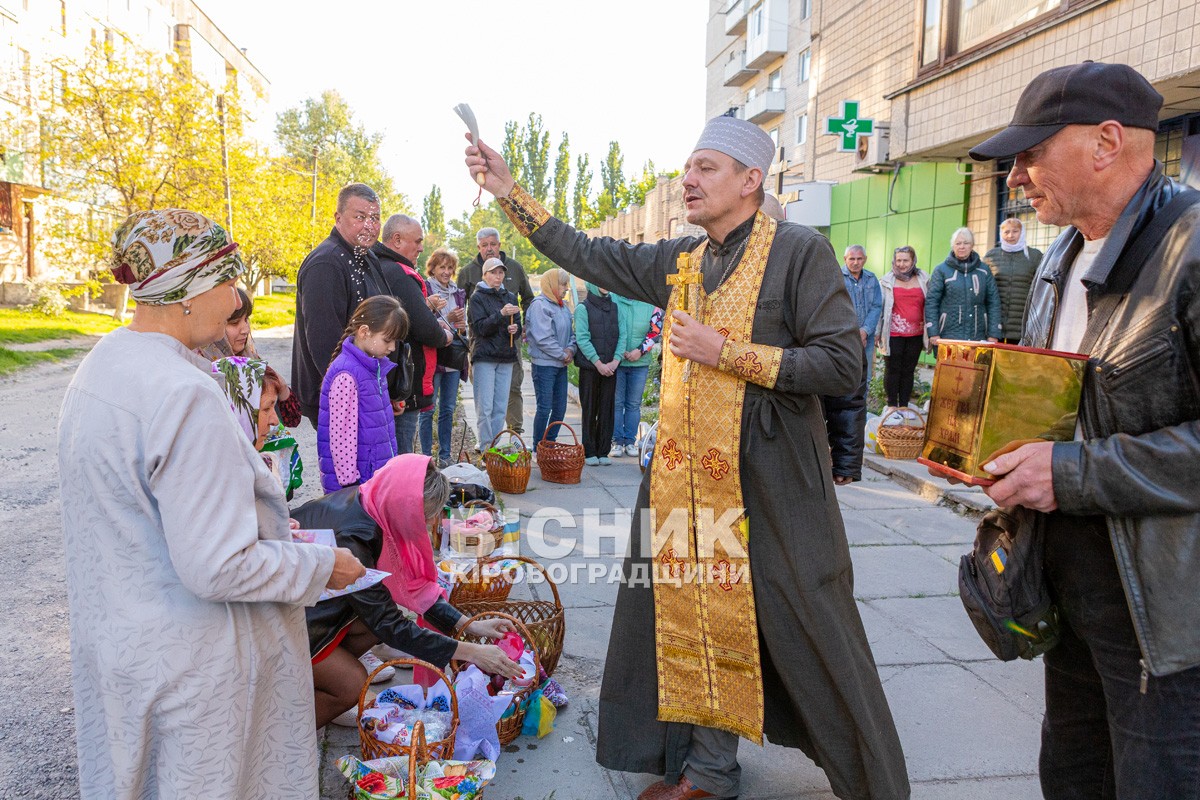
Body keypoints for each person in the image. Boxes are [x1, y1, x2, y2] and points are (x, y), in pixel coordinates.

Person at [466, 116, 908, 800]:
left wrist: (726, 352)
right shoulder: (685, 257)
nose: (687, 179)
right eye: (688, 167)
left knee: (797, 619)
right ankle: (708, 771)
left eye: (705, 167)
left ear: (750, 180)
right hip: (684, 481)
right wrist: (509, 191)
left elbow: (843, 362)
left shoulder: (797, 253)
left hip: (768, 479)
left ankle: (865, 774)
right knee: (693, 619)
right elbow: (590, 254)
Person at [58, 208, 365, 799]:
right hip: (192, 668)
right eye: (228, 282)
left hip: (129, 642)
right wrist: (326, 566)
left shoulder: (106, 366)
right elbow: (218, 565)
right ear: (186, 293)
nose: (235, 299)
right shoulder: (183, 394)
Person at [966, 61, 1200, 799]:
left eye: (1032, 152)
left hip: (1165, 613)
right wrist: (988, 447)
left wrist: (1069, 472)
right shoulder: (1060, 255)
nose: (1015, 176)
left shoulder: (1190, 248)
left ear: (1107, 142)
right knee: (1072, 777)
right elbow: (1070, 406)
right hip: (1069, 584)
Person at [294, 454, 520, 728]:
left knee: (374, 621)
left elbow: (414, 591)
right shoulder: (355, 538)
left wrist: (472, 626)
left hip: (312, 607)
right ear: (404, 506)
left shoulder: (372, 501)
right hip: (287, 622)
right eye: (421, 517)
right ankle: (291, 731)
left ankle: (319, 691)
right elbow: (390, 624)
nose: (423, 527)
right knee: (352, 683)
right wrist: (471, 652)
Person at [293, 183, 407, 429]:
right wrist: (355, 397)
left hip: (370, 392)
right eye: (360, 217)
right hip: (344, 399)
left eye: (375, 218)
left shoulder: (366, 256)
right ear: (338, 218)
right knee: (350, 467)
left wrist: (389, 389)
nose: (369, 225)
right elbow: (324, 343)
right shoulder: (326, 263)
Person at [373, 214, 453, 453]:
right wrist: (445, 335)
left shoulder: (378, 266)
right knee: (402, 454)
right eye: (417, 241)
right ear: (397, 240)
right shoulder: (400, 273)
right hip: (404, 384)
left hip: (389, 379)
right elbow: (425, 328)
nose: (421, 247)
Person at [317, 295, 409, 494]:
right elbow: (341, 439)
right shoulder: (347, 374)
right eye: (387, 340)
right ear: (364, 331)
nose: (392, 347)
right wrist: (350, 489)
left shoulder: (372, 366)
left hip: (373, 480)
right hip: (357, 489)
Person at [460, 227, 535, 435]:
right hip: (482, 342)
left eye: (493, 244)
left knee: (512, 388)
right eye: (484, 245)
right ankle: (487, 442)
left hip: (509, 343)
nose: (489, 248)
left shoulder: (515, 269)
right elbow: (460, 305)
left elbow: (528, 299)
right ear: (478, 247)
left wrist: (522, 326)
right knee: (485, 396)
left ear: (499, 245)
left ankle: (514, 433)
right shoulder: (468, 272)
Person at [201, 285, 304, 430]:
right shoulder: (203, 372)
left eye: (246, 319)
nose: (246, 329)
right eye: (234, 323)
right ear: (212, 325)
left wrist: (280, 386)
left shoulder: (251, 362)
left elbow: (293, 418)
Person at [212, 355, 305, 500]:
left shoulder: (244, 465)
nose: (275, 421)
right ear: (238, 410)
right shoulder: (215, 480)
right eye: (267, 408)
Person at [467, 257, 522, 453]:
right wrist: (501, 314)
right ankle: (485, 448)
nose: (498, 277)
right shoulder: (477, 298)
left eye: (500, 273)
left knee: (500, 406)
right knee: (485, 407)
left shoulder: (510, 297)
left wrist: (516, 328)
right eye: (493, 273)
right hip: (485, 356)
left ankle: (495, 446)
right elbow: (480, 328)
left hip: (506, 356)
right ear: (485, 275)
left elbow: (518, 326)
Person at [421, 248, 469, 467]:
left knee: (448, 409)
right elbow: (420, 321)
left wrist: (460, 326)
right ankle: (425, 458)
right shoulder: (426, 288)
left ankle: (445, 455)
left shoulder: (458, 293)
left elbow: (461, 327)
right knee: (428, 408)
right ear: (433, 268)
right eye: (442, 267)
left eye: (450, 268)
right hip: (433, 357)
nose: (447, 271)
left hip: (453, 357)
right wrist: (447, 318)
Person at [924, 227, 1001, 347]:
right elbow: (931, 302)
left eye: (966, 243)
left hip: (979, 336)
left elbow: (994, 302)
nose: (962, 246)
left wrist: (994, 333)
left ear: (972, 245)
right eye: (958, 243)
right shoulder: (941, 270)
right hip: (947, 335)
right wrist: (933, 332)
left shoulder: (984, 270)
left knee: (975, 366)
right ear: (952, 246)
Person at [526, 267, 577, 446]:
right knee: (544, 408)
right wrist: (561, 354)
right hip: (544, 365)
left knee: (560, 409)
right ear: (552, 284)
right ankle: (538, 446)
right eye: (563, 285)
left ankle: (550, 443)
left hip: (561, 364)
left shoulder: (562, 307)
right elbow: (542, 338)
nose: (566, 289)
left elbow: (572, 333)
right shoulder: (540, 305)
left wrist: (571, 350)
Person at [877, 246, 929, 409]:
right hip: (893, 334)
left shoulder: (924, 279)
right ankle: (892, 405)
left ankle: (904, 405)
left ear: (913, 261)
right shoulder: (886, 281)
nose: (901, 264)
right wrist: (877, 332)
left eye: (905, 260)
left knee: (908, 370)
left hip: (916, 334)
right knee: (893, 369)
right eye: (898, 260)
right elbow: (880, 307)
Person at [574, 281, 621, 466]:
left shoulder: (615, 307)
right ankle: (589, 450)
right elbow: (582, 338)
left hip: (611, 367)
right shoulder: (582, 308)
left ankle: (603, 450)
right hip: (591, 368)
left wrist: (615, 360)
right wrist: (598, 363)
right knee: (590, 408)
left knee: (606, 409)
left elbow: (622, 334)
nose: (604, 283)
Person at [609, 293, 660, 458]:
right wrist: (617, 351)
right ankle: (617, 442)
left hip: (640, 363)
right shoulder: (613, 299)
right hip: (618, 361)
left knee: (633, 404)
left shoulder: (650, 302)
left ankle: (630, 441)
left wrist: (640, 350)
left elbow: (655, 330)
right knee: (616, 403)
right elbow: (607, 326)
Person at [983, 217, 1043, 343]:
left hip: (1022, 324)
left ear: (1022, 233)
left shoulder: (1035, 256)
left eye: (1015, 231)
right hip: (995, 325)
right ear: (1001, 234)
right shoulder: (991, 256)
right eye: (1006, 232)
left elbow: (1041, 288)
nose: (1010, 235)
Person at [841, 245, 883, 385]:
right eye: (852, 259)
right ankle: (844, 406)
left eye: (859, 259)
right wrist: (853, 332)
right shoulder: (837, 278)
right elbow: (835, 308)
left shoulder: (871, 279)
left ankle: (861, 406)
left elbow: (877, 306)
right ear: (845, 259)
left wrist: (865, 331)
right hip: (843, 336)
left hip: (867, 337)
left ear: (865, 259)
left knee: (865, 375)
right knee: (845, 374)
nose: (856, 262)